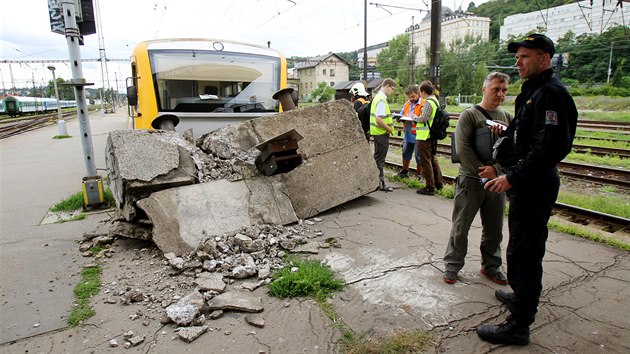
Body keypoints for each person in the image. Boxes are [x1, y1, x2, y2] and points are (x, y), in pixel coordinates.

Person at [476, 34, 578, 346]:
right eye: (517, 56)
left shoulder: (551, 94)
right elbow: (527, 136)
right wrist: (505, 137)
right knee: (518, 247)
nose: (517, 62)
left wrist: (512, 177)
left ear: (544, 58)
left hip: (533, 183)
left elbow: (548, 148)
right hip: (526, 182)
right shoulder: (534, 92)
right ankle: (520, 296)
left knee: (526, 252)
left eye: (525, 57)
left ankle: (519, 325)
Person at [442, 72, 513, 285]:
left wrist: (497, 170)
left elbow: (513, 150)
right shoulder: (470, 115)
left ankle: (492, 266)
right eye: (496, 89)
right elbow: (462, 148)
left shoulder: (508, 118)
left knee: (494, 229)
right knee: (460, 227)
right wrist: (485, 171)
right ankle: (452, 266)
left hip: (497, 183)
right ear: (484, 89)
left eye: (504, 90)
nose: (500, 94)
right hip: (470, 181)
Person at [414, 80, 444, 195]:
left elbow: (424, 118)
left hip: (424, 136)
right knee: (432, 159)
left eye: (420, 92)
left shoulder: (428, 102)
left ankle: (429, 187)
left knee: (425, 161)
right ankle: (439, 183)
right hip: (432, 135)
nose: (420, 94)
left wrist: (414, 117)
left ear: (423, 91)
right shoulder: (435, 101)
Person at [370, 78, 397, 192]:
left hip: (377, 133)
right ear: (388, 86)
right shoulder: (381, 99)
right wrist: (389, 129)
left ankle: (375, 182)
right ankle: (381, 184)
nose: (393, 92)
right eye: (393, 89)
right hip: (381, 134)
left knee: (377, 159)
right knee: (380, 160)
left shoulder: (377, 97)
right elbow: (378, 119)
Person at [397, 85, 424, 179]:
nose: (411, 99)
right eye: (409, 97)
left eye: (413, 96)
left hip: (419, 134)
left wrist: (415, 118)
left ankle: (419, 175)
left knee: (419, 156)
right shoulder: (407, 104)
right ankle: (405, 171)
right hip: (408, 134)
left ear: (418, 94)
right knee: (405, 153)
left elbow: (424, 118)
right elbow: (402, 114)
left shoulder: (424, 104)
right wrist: (399, 118)